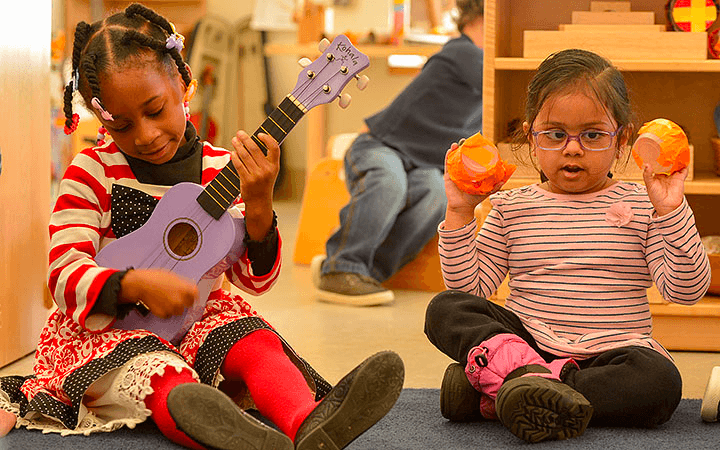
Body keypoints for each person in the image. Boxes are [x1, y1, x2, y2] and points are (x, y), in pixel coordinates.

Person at [0, 4, 404, 449]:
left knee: (253, 341)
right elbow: (62, 272)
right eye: (121, 124)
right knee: (161, 376)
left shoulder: (220, 168)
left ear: (183, 83)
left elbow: (254, 280)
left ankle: (308, 423)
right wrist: (132, 284)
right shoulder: (92, 170)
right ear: (101, 117)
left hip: (195, 320)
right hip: (107, 332)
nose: (145, 134)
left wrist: (259, 205)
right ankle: (229, 437)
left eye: (155, 110)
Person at [424, 48, 712, 443]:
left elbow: (685, 291)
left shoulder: (646, 205)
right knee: (446, 308)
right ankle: (523, 379)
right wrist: (459, 214)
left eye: (592, 135)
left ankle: (496, 392)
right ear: (531, 137)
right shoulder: (511, 206)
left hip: (613, 353)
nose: (572, 148)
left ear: (622, 138)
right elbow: (470, 289)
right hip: (528, 343)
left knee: (660, 383)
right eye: (556, 134)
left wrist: (672, 210)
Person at [311, 0, 485, 306]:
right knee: (389, 181)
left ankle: (366, 272)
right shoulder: (464, 52)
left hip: (421, 163)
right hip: (380, 145)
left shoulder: (482, 63)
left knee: (436, 194)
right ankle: (341, 267)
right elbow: (503, 84)